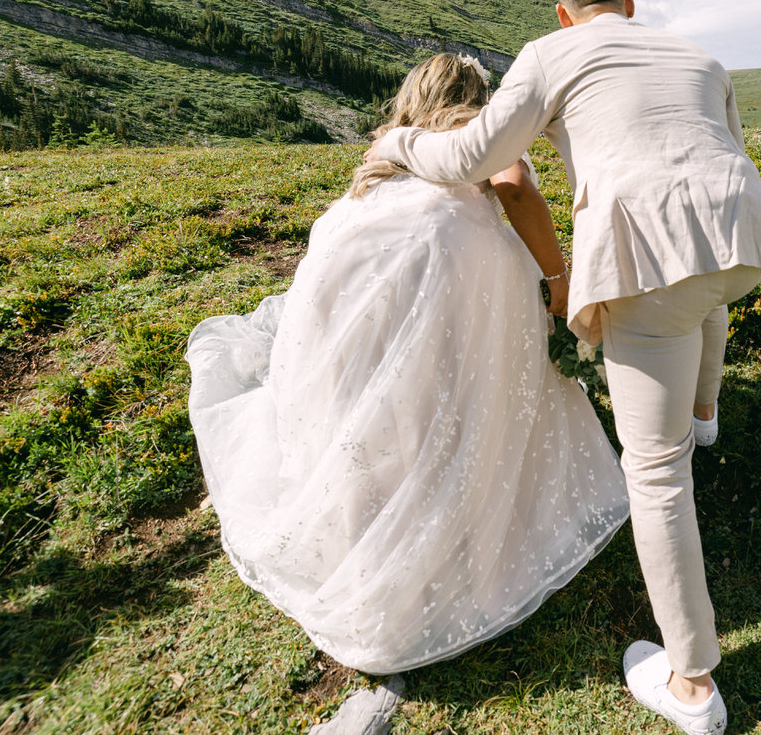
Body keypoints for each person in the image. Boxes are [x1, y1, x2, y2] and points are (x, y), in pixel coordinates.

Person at [366, 0, 761, 735]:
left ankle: (693, 685)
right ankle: (704, 409)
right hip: (744, 230)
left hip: (642, 253)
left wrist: (395, 145)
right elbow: (721, 149)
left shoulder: (550, 53)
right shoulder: (699, 54)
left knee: (655, 473)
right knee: (707, 287)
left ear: (563, 11)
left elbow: (470, 156)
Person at [185, 52, 630, 677]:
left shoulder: (389, 149)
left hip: (345, 277)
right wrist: (557, 279)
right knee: (450, 396)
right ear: (476, 96)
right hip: (435, 273)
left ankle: (372, 535)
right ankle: (455, 536)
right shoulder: (479, 132)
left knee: (375, 409)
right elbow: (516, 187)